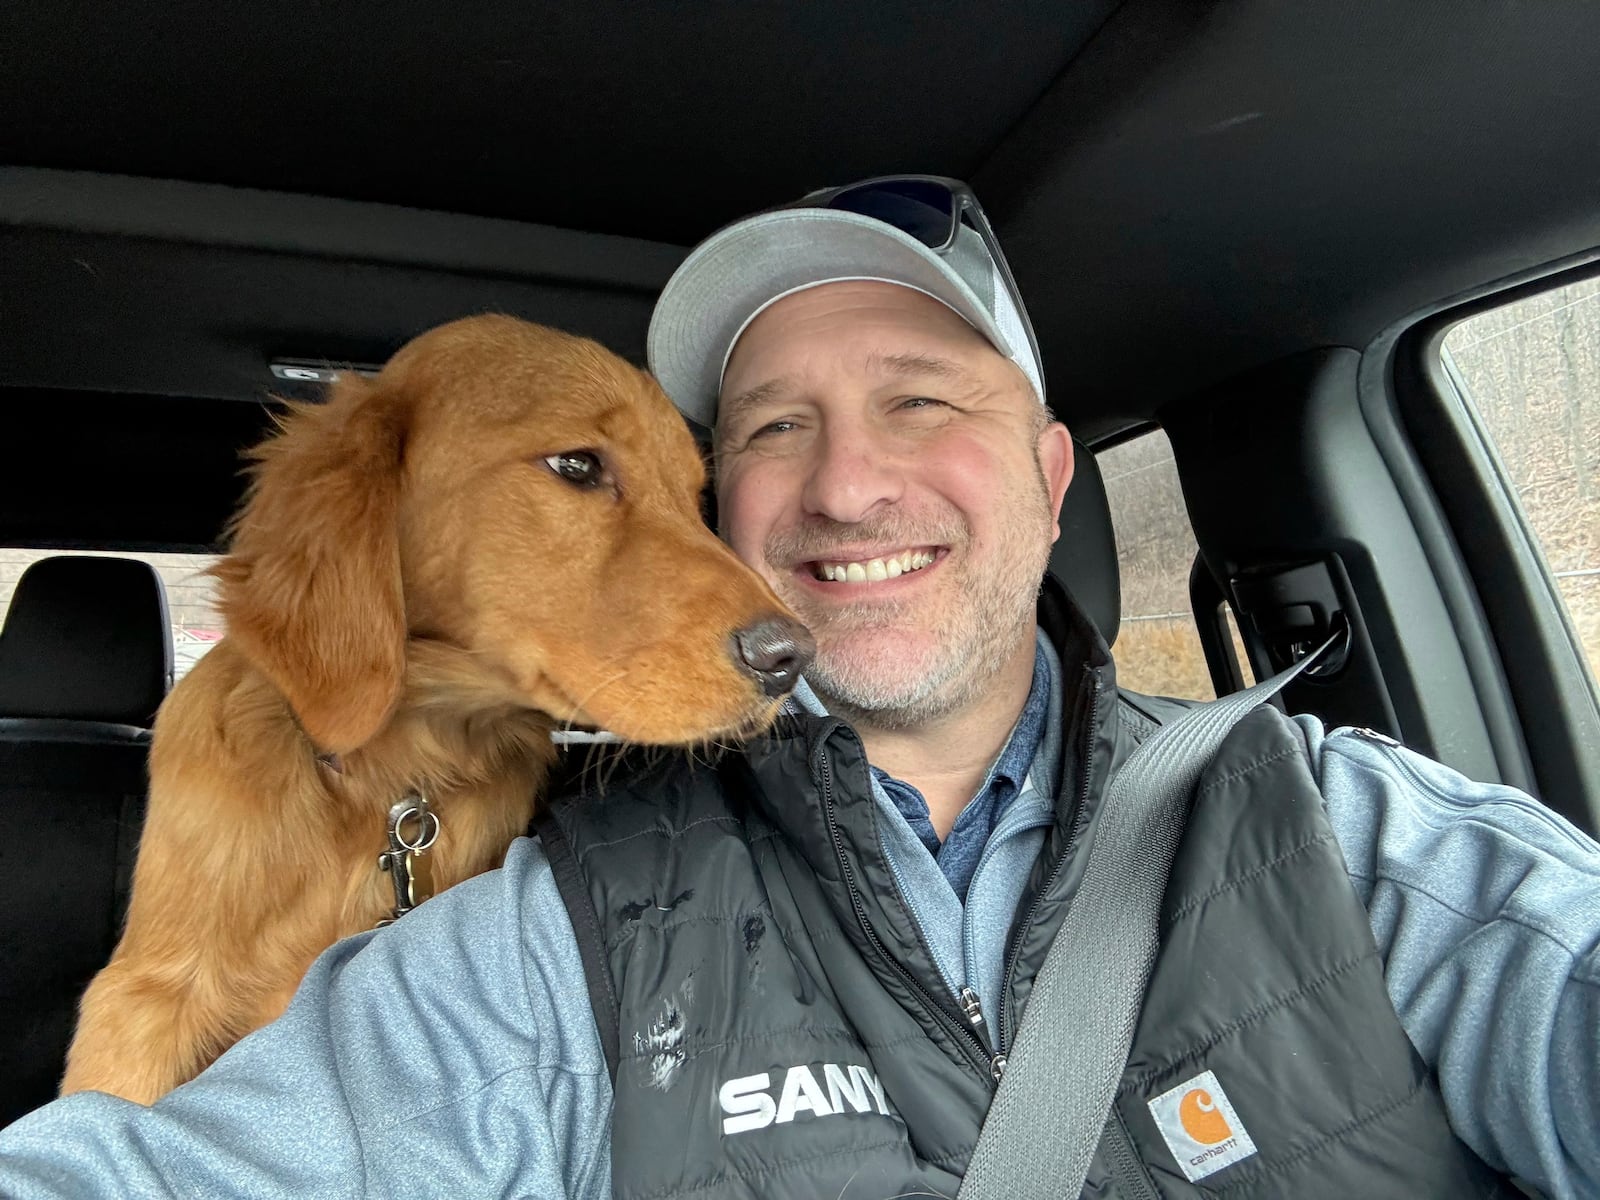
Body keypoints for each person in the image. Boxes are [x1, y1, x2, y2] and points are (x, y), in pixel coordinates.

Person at [1, 176, 1596, 1199]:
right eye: (768, 430)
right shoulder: (575, 923)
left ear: (1054, 483)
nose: (841, 487)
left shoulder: (1353, 830)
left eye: (919, 398)